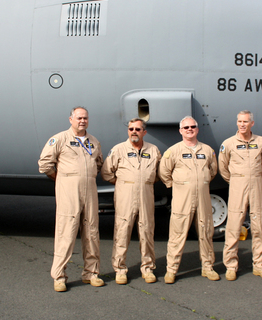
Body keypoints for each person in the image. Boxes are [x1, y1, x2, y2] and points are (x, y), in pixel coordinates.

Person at [38, 106, 104, 292]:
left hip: (89, 189)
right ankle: (59, 276)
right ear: (71, 119)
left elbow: (98, 163)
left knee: (91, 231)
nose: (82, 121)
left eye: (85, 118)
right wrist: (60, 178)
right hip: (68, 190)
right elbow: (44, 164)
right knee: (66, 231)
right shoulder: (59, 139)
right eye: (79, 118)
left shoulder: (94, 141)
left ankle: (91, 273)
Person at [101, 118, 161, 285]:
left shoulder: (154, 150)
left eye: (137, 129)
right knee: (122, 231)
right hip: (125, 197)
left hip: (146, 196)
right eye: (131, 129)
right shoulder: (118, 150)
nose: (134, 131)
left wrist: (143, 182)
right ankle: (120, 269)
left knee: (147, 232)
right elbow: (107, 173)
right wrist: (124, 183)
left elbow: (158, 174)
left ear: (144, 132)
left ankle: (148, 268)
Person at [159, 116, 219, 284]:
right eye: (186, 127)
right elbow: (164, 171)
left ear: (197, 129)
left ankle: (208, 267)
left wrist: (201, 182)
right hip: (182, 199)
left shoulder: (207, 151)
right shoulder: (173, 151)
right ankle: (171, 270)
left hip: (203, 199)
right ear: (180, 131)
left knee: (206, 232)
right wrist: (176, 186)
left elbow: (213, 170)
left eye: (193, 126)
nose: (190, 129)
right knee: (177, 234)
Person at [219, 110, 262, 281]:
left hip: (256, 184)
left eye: (246, 122)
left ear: (252, 123)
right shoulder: (228, 144)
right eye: (240, 121)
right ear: (237, 123)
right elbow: (223, 167)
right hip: (237, 185)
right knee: (233, 226)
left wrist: (254, 176)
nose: (242, 124)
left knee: (259, 226)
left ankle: (260, 264)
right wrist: (236, 179)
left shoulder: (261, 142)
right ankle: (231, 265)